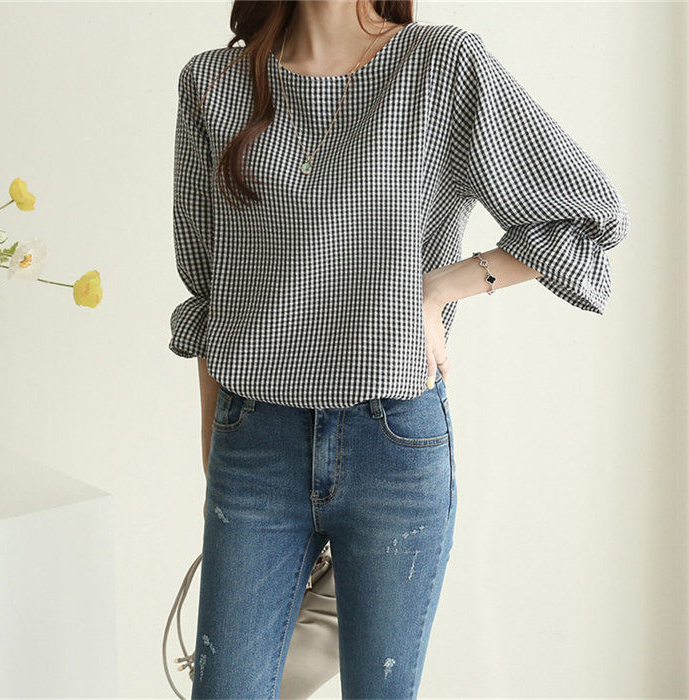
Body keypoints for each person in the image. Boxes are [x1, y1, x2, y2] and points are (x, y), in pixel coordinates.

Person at [169, 1, 629, 697]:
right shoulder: (212, 83)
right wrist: (217, 446)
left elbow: (587, 213)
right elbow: (208, 291)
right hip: (254, 442)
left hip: (395, 445)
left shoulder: (441, 65)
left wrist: (441, 287)